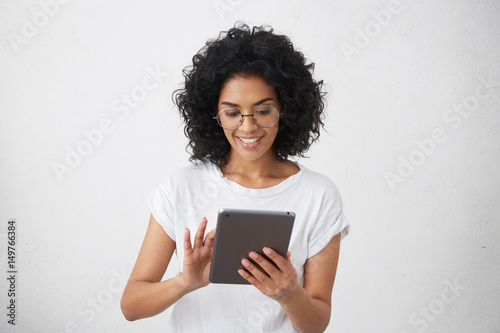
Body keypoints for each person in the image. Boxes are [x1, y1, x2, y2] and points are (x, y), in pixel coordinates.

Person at [120, 23, 350, 333]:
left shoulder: (319, 194)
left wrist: (291, 295)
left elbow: (317, 322)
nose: (248, 127)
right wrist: (185, 282)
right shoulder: (181, 188)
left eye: (263, 111)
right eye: (232, 112)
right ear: (213, 115)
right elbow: (131, 306)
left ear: (287, 110)